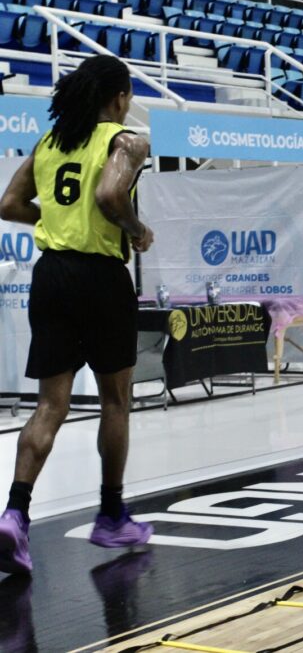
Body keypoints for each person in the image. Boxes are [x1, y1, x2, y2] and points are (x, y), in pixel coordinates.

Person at [0, 55, 155, 575]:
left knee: (50, 405)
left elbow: (9, 204)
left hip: (51, 275)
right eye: (127, 96)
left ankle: (15, 513)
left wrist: (54, 217)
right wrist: (135, 228)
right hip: (99, 278)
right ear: (118, 98)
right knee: (115, 400)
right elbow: (112, 194)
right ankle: (112, 515)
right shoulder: (125, 139)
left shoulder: (50, 143)